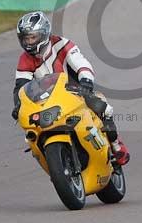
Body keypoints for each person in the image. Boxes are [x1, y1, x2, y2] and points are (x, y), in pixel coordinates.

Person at [11, 11, 130, 165]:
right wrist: (18, 105)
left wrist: (86, 81)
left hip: (75, 90)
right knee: (31, 131)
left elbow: (81, 63)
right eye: (25, 38)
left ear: (44, 33)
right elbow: (20, 86)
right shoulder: (25, 59)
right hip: (46, 100)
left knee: (104, 108)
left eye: (32, 37)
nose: (29, 42)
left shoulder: (62, 44)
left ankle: (115, 144)